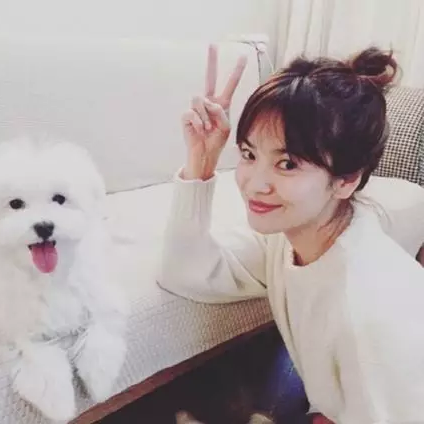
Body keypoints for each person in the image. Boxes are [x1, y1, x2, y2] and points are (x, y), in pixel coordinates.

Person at [157, 44, 424, 424]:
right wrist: (201, 161)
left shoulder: (367, 311)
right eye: (249, 154)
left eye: (287, 164)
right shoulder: (289, 238)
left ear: (347, 180)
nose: (255, 184)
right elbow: (185, 273)